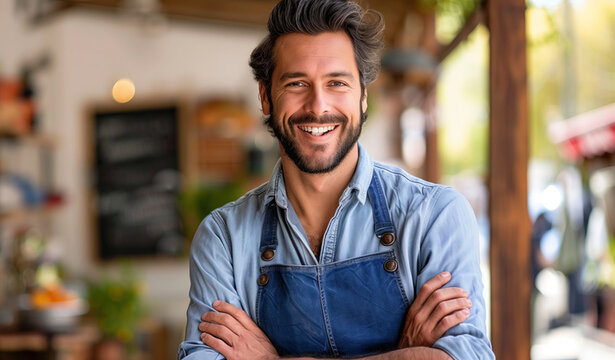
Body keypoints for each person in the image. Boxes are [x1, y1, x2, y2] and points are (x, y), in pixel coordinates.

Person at [177, 0, 494, 359]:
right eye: (297, 83)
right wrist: (404, 353)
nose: (318, 105)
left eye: (337, 83)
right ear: (266, 97)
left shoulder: (434, 215)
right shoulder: (222, 238)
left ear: (363, 97)